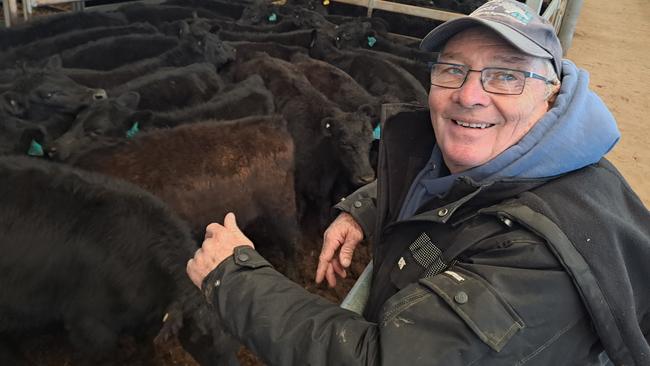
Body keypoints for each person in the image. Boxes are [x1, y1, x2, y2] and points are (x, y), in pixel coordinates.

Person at [187, 0, 650, 364]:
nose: (469, 95)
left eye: (506, 75)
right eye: (452, 69)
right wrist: (366, 208)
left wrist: (235, 277)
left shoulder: (541, 260)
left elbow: (382, 360)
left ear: (551, 94)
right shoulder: (524, 157)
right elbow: (446, 181)